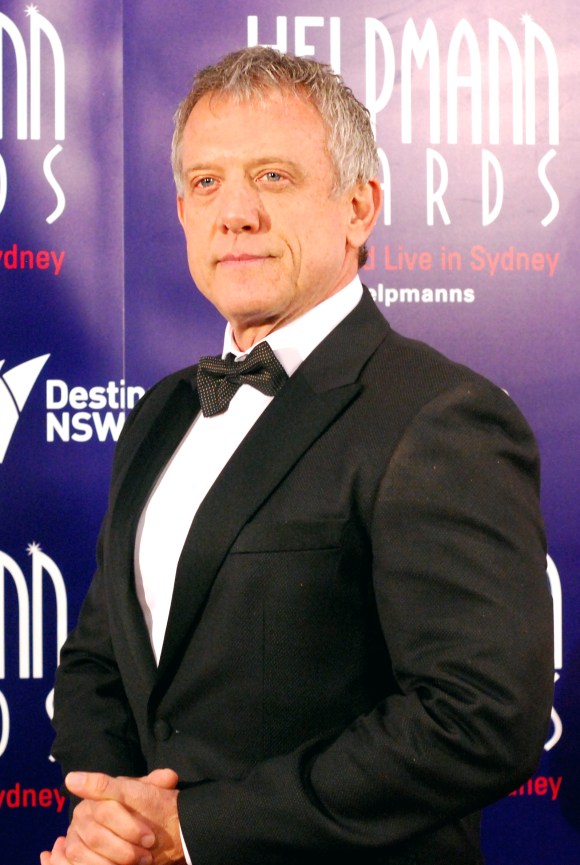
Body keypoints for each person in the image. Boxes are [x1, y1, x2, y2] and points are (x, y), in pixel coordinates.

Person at [41, 46, 553, 865]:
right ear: (181, 211)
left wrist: (196, 830)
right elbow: (102, 657)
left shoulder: (440, 415)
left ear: (360, 206)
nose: (234, 211)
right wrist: (117, 824)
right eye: (207, 182)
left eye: (272, 177)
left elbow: (478, 716)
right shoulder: (161, 411)